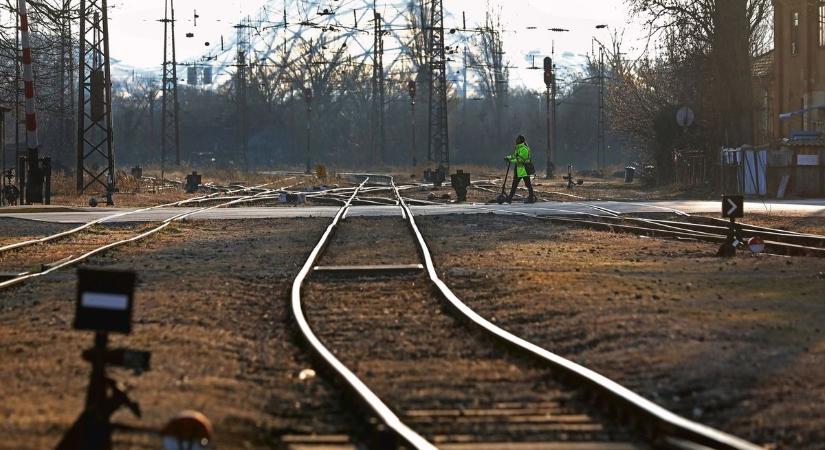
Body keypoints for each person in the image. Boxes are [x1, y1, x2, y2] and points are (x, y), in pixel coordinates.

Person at [505, 135, 536, 203]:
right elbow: (514, 156)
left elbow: (520, 160)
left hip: (524, 170)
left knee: (528, 184)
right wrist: (508, 157)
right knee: (514, 184)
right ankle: (509, 198)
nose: (516, 140)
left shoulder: (524, 149)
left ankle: (531, 198)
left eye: (517, 139)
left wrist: (511, 161)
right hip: (518, 169)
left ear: (520, 140)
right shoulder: (518, 148)